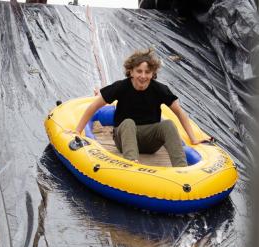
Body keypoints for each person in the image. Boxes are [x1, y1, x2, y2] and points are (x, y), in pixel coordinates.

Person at [75, 48, 204, 167]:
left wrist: (193, 138)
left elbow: (179, 112)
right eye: (139, 71)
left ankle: (181, 167)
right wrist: (78, 130)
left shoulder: (160, 89)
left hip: (150, 142)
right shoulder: (121, 87)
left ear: (153, 73)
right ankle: (131, 163)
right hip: (124, 138)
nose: (143, 76)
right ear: (131, 71)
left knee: (168, 124)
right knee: (128, 122)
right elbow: (94, 107)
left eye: (147, 72)